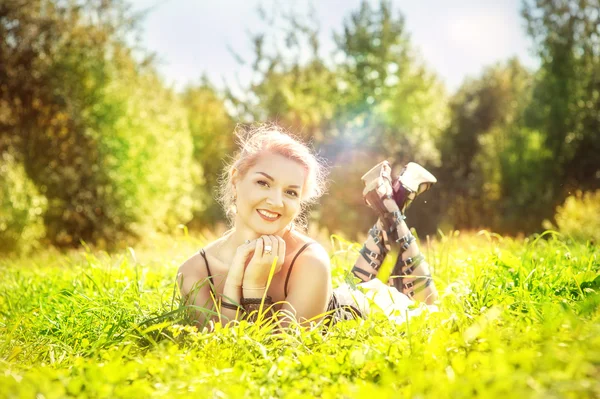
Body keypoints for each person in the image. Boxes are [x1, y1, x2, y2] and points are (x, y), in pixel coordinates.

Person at [177, 124, 438, 329]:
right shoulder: (193, 273)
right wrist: (238, 280)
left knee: (429, 310)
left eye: (291, 192)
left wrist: (255, 291)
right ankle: (393, 202)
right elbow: (219, 351)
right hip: (336, 296)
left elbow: (279, 354)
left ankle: (391, 207)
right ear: (236, 179)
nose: (276, 201)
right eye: (263, 183)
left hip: (376, 308)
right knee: (353, 285)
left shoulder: (311, 259)